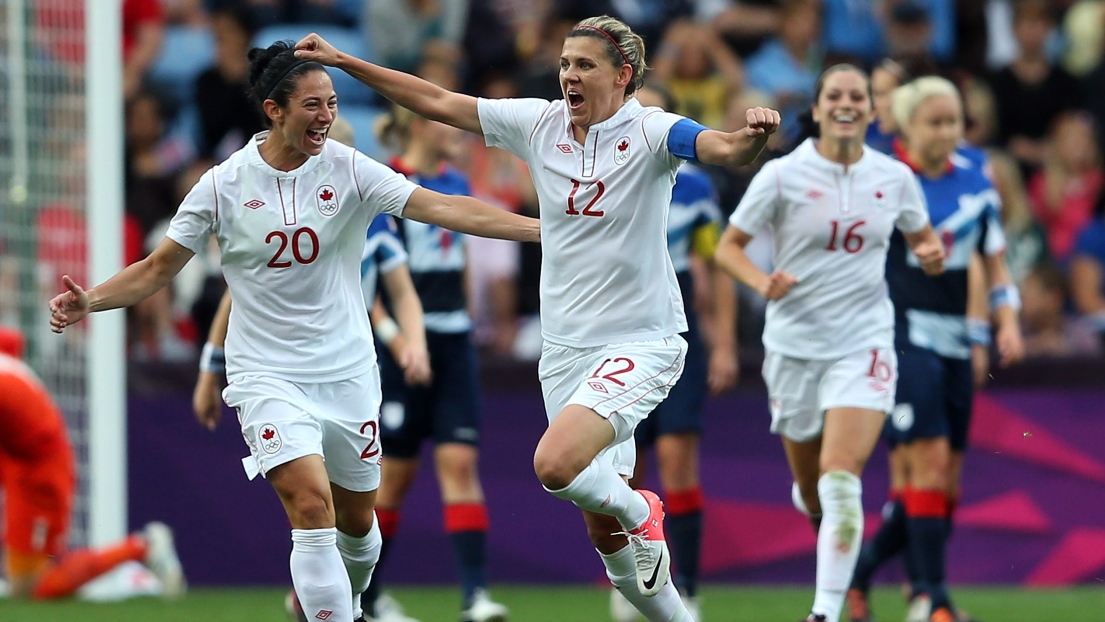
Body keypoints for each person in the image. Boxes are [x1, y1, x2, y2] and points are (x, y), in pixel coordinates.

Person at [292, 15, 780, 622]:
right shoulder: (539, 123)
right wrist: (346, 62)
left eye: (584, 66)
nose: (569, 77)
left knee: (555, 466)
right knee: (607, 541)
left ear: (623, 75)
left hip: (641, 337)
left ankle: (640, 509)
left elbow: (724, 147)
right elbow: (439, 101)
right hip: (566, 349)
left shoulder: (654, 130)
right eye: (565, 65)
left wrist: (751, 138)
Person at [49, 40, 539, 622]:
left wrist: (543, 230)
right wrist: (92, 301)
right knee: (311, 506)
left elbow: (446, 208)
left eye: (332, 103)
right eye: (313, 105)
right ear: (274, 110)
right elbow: (157, 269)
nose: (327, 116)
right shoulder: (222, 185)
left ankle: (338, 601)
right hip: (266, 374)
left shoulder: (350, 169)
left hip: (347, 371)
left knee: (359, 527)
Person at [713, 64, 946, 622]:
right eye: (834, 95)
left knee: (842, 477)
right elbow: (729, 248)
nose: (846, 104)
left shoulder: (894, 177)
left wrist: (931, 253)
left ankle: (824, 612)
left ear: (871, 110)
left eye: (857, 96)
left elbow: (922, 237)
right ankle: (814, 506)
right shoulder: (781, 175)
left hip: (864, 341)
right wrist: (760, 282)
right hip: (794, 346)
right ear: (817, 110)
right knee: (815, 489)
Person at [848, 76, 1024, 622]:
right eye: (936, 121)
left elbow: (993, 261)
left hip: (952, 339)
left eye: (954, 121)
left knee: (945, 481)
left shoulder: (976, 181)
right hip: (901, 335)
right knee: (927, 463)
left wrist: (1006, 321)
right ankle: (931, 600)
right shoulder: (883, 176)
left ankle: (859, 574)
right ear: (907, 124)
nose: (948, 132)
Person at [356, 104, 510, 622]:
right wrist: (398, 341)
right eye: (445, 121)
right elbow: (371, 280)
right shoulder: (386, 185)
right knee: (392, 479)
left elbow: (460, 260)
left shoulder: (455, 181)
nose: (457, 132)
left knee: (461, 464)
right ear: (419, 125)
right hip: (401, 349)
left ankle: (476, 597)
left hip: (452, 342)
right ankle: (367, 597)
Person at [608, 83, 739, 622]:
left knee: (681, 462)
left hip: (678, 333)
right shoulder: (608, 177)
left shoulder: (698, 188)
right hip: (618, 331)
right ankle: (636, 580)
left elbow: (716, 265)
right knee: (623, 468)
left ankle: (687, 584)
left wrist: (725, 340)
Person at [0, 326, 184, 600]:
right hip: (18, 461)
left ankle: (143, 547)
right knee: (21, 584)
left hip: (40, 475)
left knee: (30, 590)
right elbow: (12, 340)